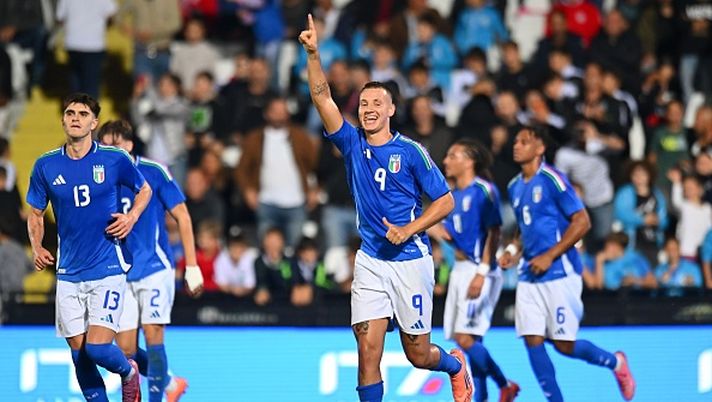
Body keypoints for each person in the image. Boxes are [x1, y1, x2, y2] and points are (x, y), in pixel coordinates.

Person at [299, 14, 473, 402]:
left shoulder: (411, 152)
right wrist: (313, 54)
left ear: (391, 110)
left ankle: (456, 365)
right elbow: (321, 97)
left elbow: (445, 201)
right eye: (363, 103)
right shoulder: (350, 143)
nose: (369, 108)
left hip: (410, 259)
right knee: (367, 351)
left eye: (377, 102)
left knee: (418, 354)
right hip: (371, 261)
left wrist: (409, 229)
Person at [26, 93, 152, 402]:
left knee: (96, 348)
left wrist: (131, 217)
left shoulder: (113, 159)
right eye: (70, 112)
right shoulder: (45, 165)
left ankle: (129, 372)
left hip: (107, 266)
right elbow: (35, 212)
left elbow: (144, 189)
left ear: (93, 122)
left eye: (83, 114)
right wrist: (37, 245)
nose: (75, 118)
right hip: (68, 271)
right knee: (79, 353)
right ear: (63, 119)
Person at [498, 126, 636, 402]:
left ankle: (616, 363)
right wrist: (513, 249)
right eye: (516, 141)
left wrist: (550, 254)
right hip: (529, 274)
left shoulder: (553, 179)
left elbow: (582, 221)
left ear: (540, 149)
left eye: (525, 141)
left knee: (563, 345)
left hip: (561, 272)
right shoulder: (514, 186)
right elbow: (523, 228)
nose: (517, 145)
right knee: (532, 339)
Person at [97, 120, 204, 402]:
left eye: (116, 144)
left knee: (154, 335)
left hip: (155, 268)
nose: (110, 149)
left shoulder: (153, 171)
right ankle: (169, 383)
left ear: (130, 145)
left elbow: (182, 215)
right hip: (120, 272)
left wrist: (191, 266)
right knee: (126, 351)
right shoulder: (96, 178)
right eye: (105, 144)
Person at [429, 138, 520, 402]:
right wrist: (420, 222)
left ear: (469, 161)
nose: (445, 161)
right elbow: (452, 235)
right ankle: (482, 397)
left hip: (480, 270)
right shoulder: (454, 196)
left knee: (464, 338)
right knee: (471, 341)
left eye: (452, 155)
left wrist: (482, 271)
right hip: (460, 268)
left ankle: (505, 384)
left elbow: (494, 231)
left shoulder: (484, 190)